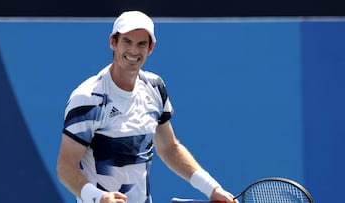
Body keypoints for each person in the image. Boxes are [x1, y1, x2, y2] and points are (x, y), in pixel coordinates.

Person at [57, 10, 238, 203]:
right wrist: (100, 198)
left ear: (151, 48)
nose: (134, 51)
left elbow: (169, 148)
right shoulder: (88, 98)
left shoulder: (155, 87)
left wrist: (212, 188)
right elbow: (66, 168)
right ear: (113, 42)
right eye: (127, 41)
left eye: (141, 44)